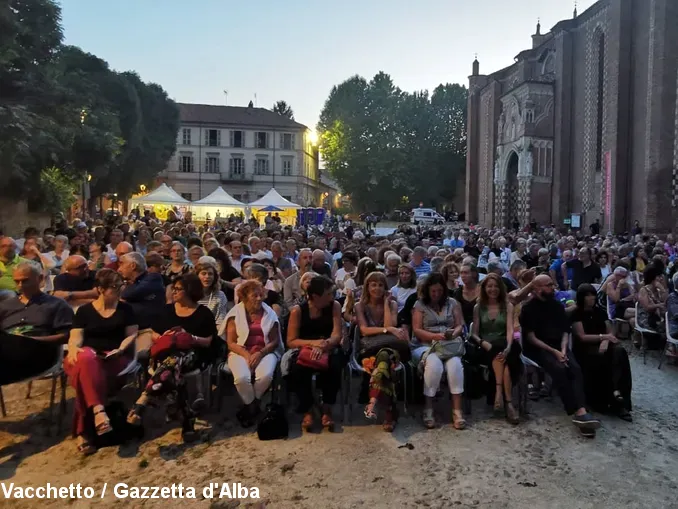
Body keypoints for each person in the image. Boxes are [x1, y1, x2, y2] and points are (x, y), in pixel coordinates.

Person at [127, 274, 217, 441]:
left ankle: (143, 400)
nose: (173, 292)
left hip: (194, 354)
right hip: (166, 355)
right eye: (173, 288)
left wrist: (190, 337)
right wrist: (164, 337)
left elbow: (208, 341)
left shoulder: (203, 313)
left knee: (176, 363)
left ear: (190, 291)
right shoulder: (167, 310)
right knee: (174, 369)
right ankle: (187, 424)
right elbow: (153, 333)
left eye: (178, 289)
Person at [64, 269, 138, 455]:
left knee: (84, 373)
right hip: (87, 355)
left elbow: (132, 335)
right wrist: (73, 348)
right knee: (86, 358)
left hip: (113, 356)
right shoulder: (84, 311)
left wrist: (120, 349)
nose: (120, 289)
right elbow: (76, 336)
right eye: (114, 287)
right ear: (100, 289)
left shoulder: (126, 309)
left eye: (121, 285)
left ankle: (84, 432)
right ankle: (98, 411)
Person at [519, 275, 601, 437]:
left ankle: (580, 409)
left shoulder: (556, 306)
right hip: (538, 348)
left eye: (552, 284)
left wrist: (563, 350)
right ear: (537, 289)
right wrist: (555, 352)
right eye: (548, 285)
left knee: (575, 368)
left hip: (559, 346)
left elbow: (565, 331)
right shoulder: (528, 309)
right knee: (559, 369)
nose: (553, 287)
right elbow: (531, 338)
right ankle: (577, 411)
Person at [287, 276, 344, 432]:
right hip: (305, 348)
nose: (331, 297)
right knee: (298, 369)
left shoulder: (335, 306)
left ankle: (327, 408)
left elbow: (336, 334)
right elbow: (291, 340)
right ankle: (308, 408)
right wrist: (313, 344)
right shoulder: (298, 311)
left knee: (334, 366)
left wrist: (324, 345)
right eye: (328, 294)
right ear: (315, 296)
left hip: (329, 347)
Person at [0, 263, 73, 384]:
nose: (20, 286)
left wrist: (32, 340)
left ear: (40, 279)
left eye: (25, 281)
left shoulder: (57, 304)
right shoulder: (5, 305)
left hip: (39, 354)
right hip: (7, 354)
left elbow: (67, 336)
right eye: (16, 281)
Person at [356, 272, 409, 432]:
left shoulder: (392, 304)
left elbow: (390, 323)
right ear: (367, 287)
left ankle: (373, 400)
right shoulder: (360, 306)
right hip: (370, 348)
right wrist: (387, 329)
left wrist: (386, 304)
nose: (377, 288)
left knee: (384, 359)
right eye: (373, 284)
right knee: (385, 360)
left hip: (391, 348)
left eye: (380, 285)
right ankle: (389, 412)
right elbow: (364, 330)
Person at [223, 280, 281, 427]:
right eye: (254, 296)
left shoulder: (269, 313)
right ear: (244, 297)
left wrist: (260, 353)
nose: (259, 299)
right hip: (240, 352)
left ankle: (250, 406)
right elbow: (231, 342)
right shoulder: (234, 314)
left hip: (266, 351)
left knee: (266, 375)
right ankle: (253, 406)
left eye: (261, 295)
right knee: (242, 378)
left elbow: (274, 341)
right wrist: (247, 355)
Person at [570, 284, 632, 421]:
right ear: (582, 297)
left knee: (619, 353)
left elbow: (610, 331)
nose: (591, 298)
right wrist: (603, 337)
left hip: (603, 344)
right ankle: (607, 398)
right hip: (585, 347)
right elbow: (582, 336)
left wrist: (605, 340)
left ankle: (619, 397)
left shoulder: (600, 311)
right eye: (588, 295)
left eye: (593, 294)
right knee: (601, 358)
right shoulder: (576, 314)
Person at [412, 272, 466, 430]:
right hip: (425, 345)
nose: (436, 294)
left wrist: (453, 334)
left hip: (449, 345)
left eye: (440, 291)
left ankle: (457, 410)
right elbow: (417, 330)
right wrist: (436, 336)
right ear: (428, 290)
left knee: (455, 365)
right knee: (434, 364)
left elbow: (459, 325)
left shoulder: (453, 303)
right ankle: (428, 408)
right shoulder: (420, 305)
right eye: (433, 291)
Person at [470, 273, 519, 424]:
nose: (493, 289)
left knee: (503, 350)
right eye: (489, 286)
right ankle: (509, 403)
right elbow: (474, 333)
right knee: (501, 354)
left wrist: (509, 346)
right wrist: (482, 342)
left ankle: (498, 392)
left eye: (496, 286)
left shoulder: (508, 306)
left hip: (505, 343)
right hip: (486, 346)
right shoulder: (478, 307)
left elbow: (510, 330)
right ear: (484, 288)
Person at [118, 252, 166, 331]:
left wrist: (124, 299)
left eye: (122, 264)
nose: (119, 269)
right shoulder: (132, 282)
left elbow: (129, 294)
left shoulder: (153, 278)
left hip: (151, 329)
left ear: (133, 266)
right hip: (133, 327)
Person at [194, 259, 228, 330]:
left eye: (210, 274)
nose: (207, 277)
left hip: (213, 332)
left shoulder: (220, 295)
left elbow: (220, 321)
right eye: (203, 273)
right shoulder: (188, 294)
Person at [637, 265, 667, 335]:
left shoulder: (658, 290)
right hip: (646, 318)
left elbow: (666, 302)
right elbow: (647, 307)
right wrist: (659, 305)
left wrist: (662, 289)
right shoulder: (644, 290)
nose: (661, 279)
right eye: (659, 277)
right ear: (653, 277)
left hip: (657, 317)